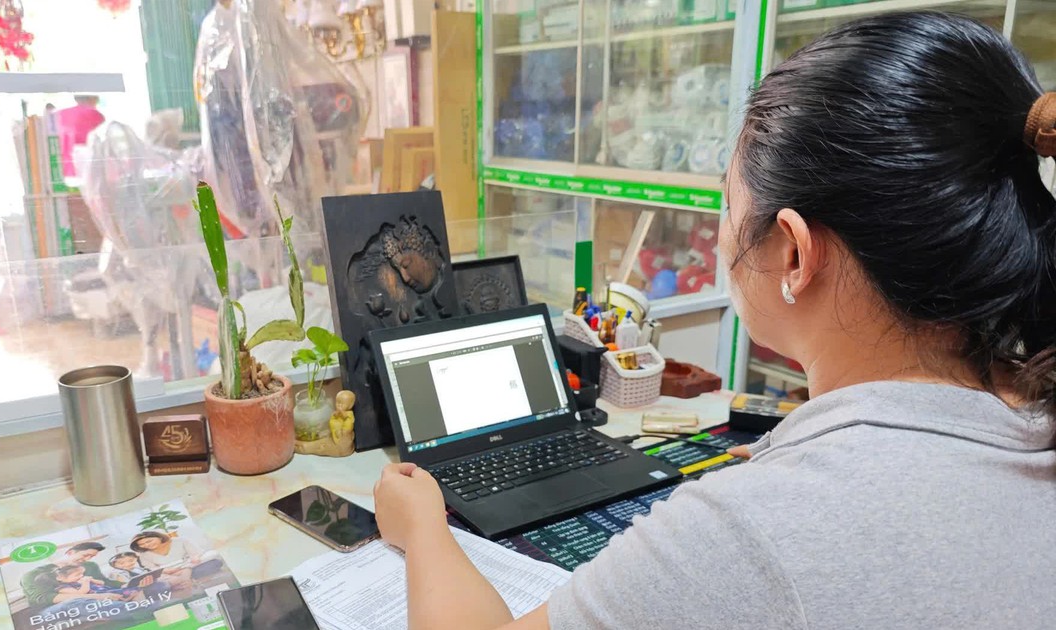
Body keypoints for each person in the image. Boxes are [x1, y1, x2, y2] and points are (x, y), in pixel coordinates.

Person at [373, 12, 1056, 629]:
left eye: (727, 207)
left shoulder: (748, 529)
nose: (723, 235)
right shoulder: (1031, 428)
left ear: (794, 252)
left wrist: (424, 528)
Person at [52, 565, 143, 603]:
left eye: (82, 574)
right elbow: (81, 593)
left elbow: (101, 583)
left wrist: (93, 580)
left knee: (125, 590)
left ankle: (128, 596)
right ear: (63, 578)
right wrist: (86, 582)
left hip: (106, 589)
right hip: (98, 595)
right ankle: (126, 598)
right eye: (77, 575)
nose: (81, 576)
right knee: (121, 593)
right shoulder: (63, 587)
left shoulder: (81, 580)